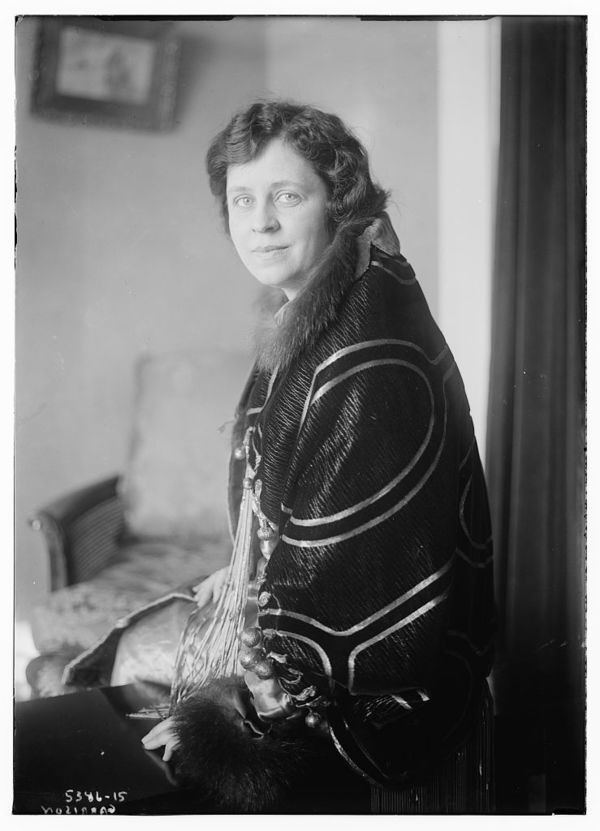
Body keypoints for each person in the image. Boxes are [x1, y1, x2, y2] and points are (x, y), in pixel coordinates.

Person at [68, 100, 495, 813]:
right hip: (292, 620)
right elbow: (289, 499)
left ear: (339, 204)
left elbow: (347, 565)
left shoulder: (367, 353)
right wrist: (238, 571)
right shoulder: (321, 307)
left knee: (117, 697)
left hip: (363, 698)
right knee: (114, 670)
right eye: (242, 199)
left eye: (287, 196)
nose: (259, 222)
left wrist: (235, 698)